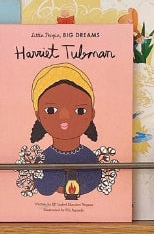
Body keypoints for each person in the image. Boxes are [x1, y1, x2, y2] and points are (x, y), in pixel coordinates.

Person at [29, 64, 103, 200]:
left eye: (80, 111)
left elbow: (94, 181)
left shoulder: (89, 157)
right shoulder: (43, 159)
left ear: (92, 114)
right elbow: (43, 188)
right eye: (50, 110)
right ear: (38, 115)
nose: (65, 117)